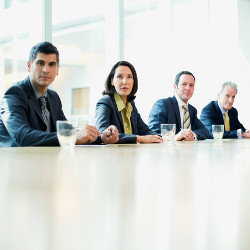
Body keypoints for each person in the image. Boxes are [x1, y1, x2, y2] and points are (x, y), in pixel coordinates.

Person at [0, 42, 118, 147]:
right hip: (17, 165)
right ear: (29, 66)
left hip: (46, 162)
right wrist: (72, 138)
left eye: (51, 64)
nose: (46, 69)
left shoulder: (53, 97)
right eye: (40, 63)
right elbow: (22, 136)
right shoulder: (14, 94)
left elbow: (67, 131)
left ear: (57, 70)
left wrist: (101, 137)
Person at [95, 61, 162, 144]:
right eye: (119, 77)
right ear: (112, 81)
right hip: (111, 155)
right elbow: (103, 134)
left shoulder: (130, 104)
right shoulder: (105, 102)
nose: (125, 82)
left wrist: (159, 138)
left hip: (130, 155)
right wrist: (138, 138)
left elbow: (145, 131)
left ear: (133, 81)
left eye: (129, 77)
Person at [148, 71, 209, 141]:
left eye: (191, 85)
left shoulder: (192, 110)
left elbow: (205, 131)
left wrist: (192, 135)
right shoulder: (162, 105)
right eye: (184, 84)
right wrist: (174, 138)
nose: (188, 88)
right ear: (175, 87)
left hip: (190, 150)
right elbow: (153, 133)